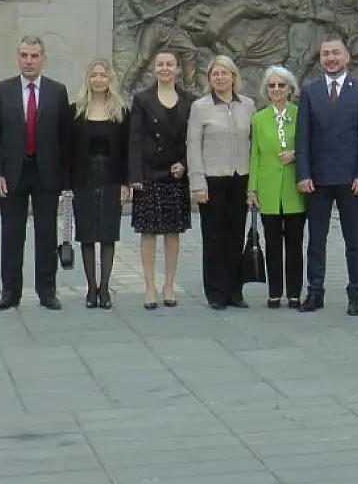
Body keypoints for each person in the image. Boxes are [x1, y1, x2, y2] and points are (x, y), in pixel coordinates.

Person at [0, 35, 73, 311]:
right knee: (12, 235)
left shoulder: (58, 91)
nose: (29, 61)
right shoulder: (1, 91)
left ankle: (47, 291)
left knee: (46, 234)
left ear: (43, 57)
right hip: (12, 174)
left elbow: (64, 138)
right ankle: (10, 293)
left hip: (46, 173)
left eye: (34, 56)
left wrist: (66, 181)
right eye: (24, 55)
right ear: (17, 57)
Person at [295, 37, 358, 316]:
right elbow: (302, 137)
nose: (330, 58)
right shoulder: (310, 90)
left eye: (335, 53)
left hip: (351, 179)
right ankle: (315, 291)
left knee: (353, 240)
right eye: (325, 53)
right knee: (316, 239)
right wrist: (303, 173)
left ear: (346, 57)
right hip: (317, 180)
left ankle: (355, 293)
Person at [187, 55, 257, 310]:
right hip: (212, 180)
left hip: (240, 178)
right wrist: (197, 182)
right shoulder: (200, 107)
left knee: (235, 236)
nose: (220, 78)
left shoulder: (247, 105)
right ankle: (216, 291)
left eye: (224, 73)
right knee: (214, 237)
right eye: (215, 74)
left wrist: (253, 187)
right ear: (210, 79)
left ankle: (235, 291)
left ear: (233, 77)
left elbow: (254, 145)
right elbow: (193, 145)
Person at [129, 50, 195, 309]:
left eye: (169, 64)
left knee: (172, 231)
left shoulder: (190, 100)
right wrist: (134, 176)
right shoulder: (142, 99)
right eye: (160, 64)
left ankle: (169, 284)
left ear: (177, 68)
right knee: (148, 231)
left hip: (176, 173)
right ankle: (149, 286)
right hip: (148, 173)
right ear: (154, 69)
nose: (165, 68)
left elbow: (196, 139)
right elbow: (134, 140)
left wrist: (186, 166)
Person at [65, 59, 131, 309]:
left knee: (107, 234)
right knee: (87, 234)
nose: (99, 79)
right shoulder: (75, 112)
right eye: (94, 75)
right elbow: (68, 151)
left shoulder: (121, 112)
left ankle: (105, 288)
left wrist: (126, 182)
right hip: (84, 178)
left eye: (104, 75)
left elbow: (127, 151)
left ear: (110, 80)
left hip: (112, 178)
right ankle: (90, 288)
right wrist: (67, 185)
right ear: (88, 79)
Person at [248, 66, 307, 308]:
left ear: (290, 89)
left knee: (294, 243)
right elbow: (255, 155)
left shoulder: (301, 114)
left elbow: (309, 145)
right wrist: (252, 189)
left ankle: (294, 292)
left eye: (281, 85)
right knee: (272, 244)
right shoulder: (259, 118)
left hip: (294, 188)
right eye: (271, 86)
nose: (276, 90)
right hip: (268, 188)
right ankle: (274, 291)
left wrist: (296, 154)